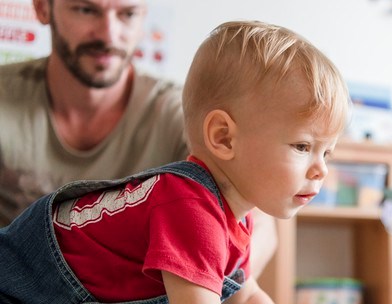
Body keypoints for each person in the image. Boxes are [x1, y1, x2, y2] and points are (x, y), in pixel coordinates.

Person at [0, 20, 349, 304]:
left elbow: (246, 298)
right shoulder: (190, 211)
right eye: (303, 146)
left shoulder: (234, 219)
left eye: (327, 152)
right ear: (224, 138)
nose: (321, 169)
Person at [0, 0, 275, 276]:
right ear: (42, 9)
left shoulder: (182, 114)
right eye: (86, 10)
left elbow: (256, 223)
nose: (109, 35)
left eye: (128, 14)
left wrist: (221, 283)